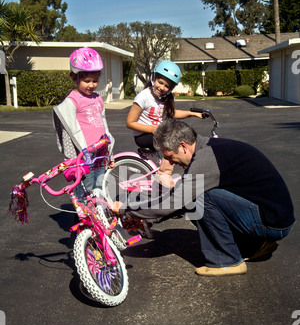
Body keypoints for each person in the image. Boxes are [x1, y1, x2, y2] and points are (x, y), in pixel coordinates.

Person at [112, 118, 295, 276]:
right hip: (274, 215)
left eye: (170, 156)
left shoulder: (205, 161)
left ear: (183, 146)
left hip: (271, 222)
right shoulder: (209, 148)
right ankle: (255, 246)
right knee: (197, 196)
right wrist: (148, 220)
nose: (170, 162)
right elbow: (179, 203)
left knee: (200, 197)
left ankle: (226, 261)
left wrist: (125, 210)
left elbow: (173, 202)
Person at [126, 60, 205, 186]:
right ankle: (164, 174)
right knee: (172, 142)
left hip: (159, 132)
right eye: (160, 82)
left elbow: (171, 113)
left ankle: (189, 169)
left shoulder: (167, 98)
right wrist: (153, 129)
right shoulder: (143, 97)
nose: (162, 88)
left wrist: (192, 114)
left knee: (184, 138)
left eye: (167, 86)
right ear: (154, 78)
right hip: (144, 135)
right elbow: (130, 122)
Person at [53, 47, 115, 200]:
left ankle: (98, 215)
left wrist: (109, 154)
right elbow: (66, 123)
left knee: (100, 184)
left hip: (100, 151)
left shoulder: (98, 98)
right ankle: (84, 217)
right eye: (86, 81)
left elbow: (104, 123)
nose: (91, 85)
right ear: (76, 79)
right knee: (85, 186)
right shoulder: (73, 99)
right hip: (85, 154)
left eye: (94, 81)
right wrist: (72, 156)